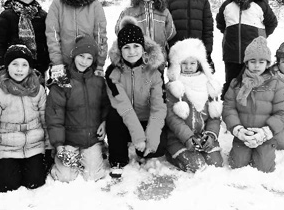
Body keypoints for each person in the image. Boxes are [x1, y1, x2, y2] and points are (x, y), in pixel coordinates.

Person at [105, 16, 167, 178]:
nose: (132, 52)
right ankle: (118, 159)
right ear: (120, 50)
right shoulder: (113, 73)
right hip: (124, 121)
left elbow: (158, 109)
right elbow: (124, 108)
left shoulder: (154, 72)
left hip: (147, 119)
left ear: (143, 47)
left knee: (155, 149)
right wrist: (138, 137)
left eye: (136, 46)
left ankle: (146, 148)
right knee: (113, 116)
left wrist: (151, 140)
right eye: (126, 47)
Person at [0, 44, 51, 192]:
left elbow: (46, 121)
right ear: (7, 66)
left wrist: (48, 149)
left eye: (24, 65)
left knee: (35, 181)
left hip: (34, 146)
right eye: (15, 64)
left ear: (30, 68)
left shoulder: (38, 90)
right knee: (7, 185)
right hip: (7, 147)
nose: (19, 69)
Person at [222, 37, 284, 173]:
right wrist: (238, 129)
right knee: (236, 165)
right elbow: (229, 108)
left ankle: (265, 149)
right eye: (252, 61)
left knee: (264, 168)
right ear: (246, 63)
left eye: (261, 62)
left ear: (267, 64)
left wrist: (266, 132)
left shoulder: (276, 84)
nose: (256, 65)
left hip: (265, 135)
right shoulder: (236, 84)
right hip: (243, 134)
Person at [45, 35, 110, 182]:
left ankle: (94, 153)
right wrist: (59, 144)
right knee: (65, 177)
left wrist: (105, 122)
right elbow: (54, 115)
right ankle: (64, 159)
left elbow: (106, 105)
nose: (84, 61)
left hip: (91, 139)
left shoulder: (98, 80)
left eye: (89, 58)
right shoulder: (63, 81)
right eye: (81, 56)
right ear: (74, 54)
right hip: (69, 140)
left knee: (93, 176)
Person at [46, 0, 108, 84]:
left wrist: (100, 63)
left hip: (88, 63)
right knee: (62, 99)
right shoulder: (57, 4)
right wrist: (57, 62)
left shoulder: (94, 4)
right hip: (64, 63)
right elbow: (53, 35)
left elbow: (100, 34)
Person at [216, 0, 278, 99]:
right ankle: (228, 110)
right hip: (231, 53)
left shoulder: (261, 4)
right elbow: (220, 23)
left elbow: (272, 23)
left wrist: (261, 38)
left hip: (253, 56)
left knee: (252, 84)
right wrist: (229, 35)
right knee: (232, 83)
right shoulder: (227, 5)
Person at [165, 38, 223, 172]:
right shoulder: (174, 87)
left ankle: (204, 144)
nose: (189, 67)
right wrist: (187, 137)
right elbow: (172, 118)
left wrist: (211, 135)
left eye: (193, 63)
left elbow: (215, 116)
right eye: (184, 63)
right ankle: (172, 155)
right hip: (180, 137)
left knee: (216, 164)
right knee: (197, 166)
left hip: (202, 136)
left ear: (199, 64)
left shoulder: (209, 85)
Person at [0, 0, 50, 80]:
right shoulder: (6, 16)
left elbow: (48, 43)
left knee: (36, 95)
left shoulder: (43, 16)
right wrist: (0, 67)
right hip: (12, 69)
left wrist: (46, 65)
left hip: (37, 69)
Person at [115, 0, 176, 65]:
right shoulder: (128, 12)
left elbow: (170, 32)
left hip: (158, 61)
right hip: (135, 61)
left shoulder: (164, 12)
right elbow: (119, 31)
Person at [165, 0, 215, 71]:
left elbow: (208, 29)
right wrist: (168, 51)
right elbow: (164, 29)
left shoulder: (202, 0)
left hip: (197, 53)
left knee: (197, 85)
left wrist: (207, 51)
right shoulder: (168, 0)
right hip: (176, 53)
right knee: (177, 87)